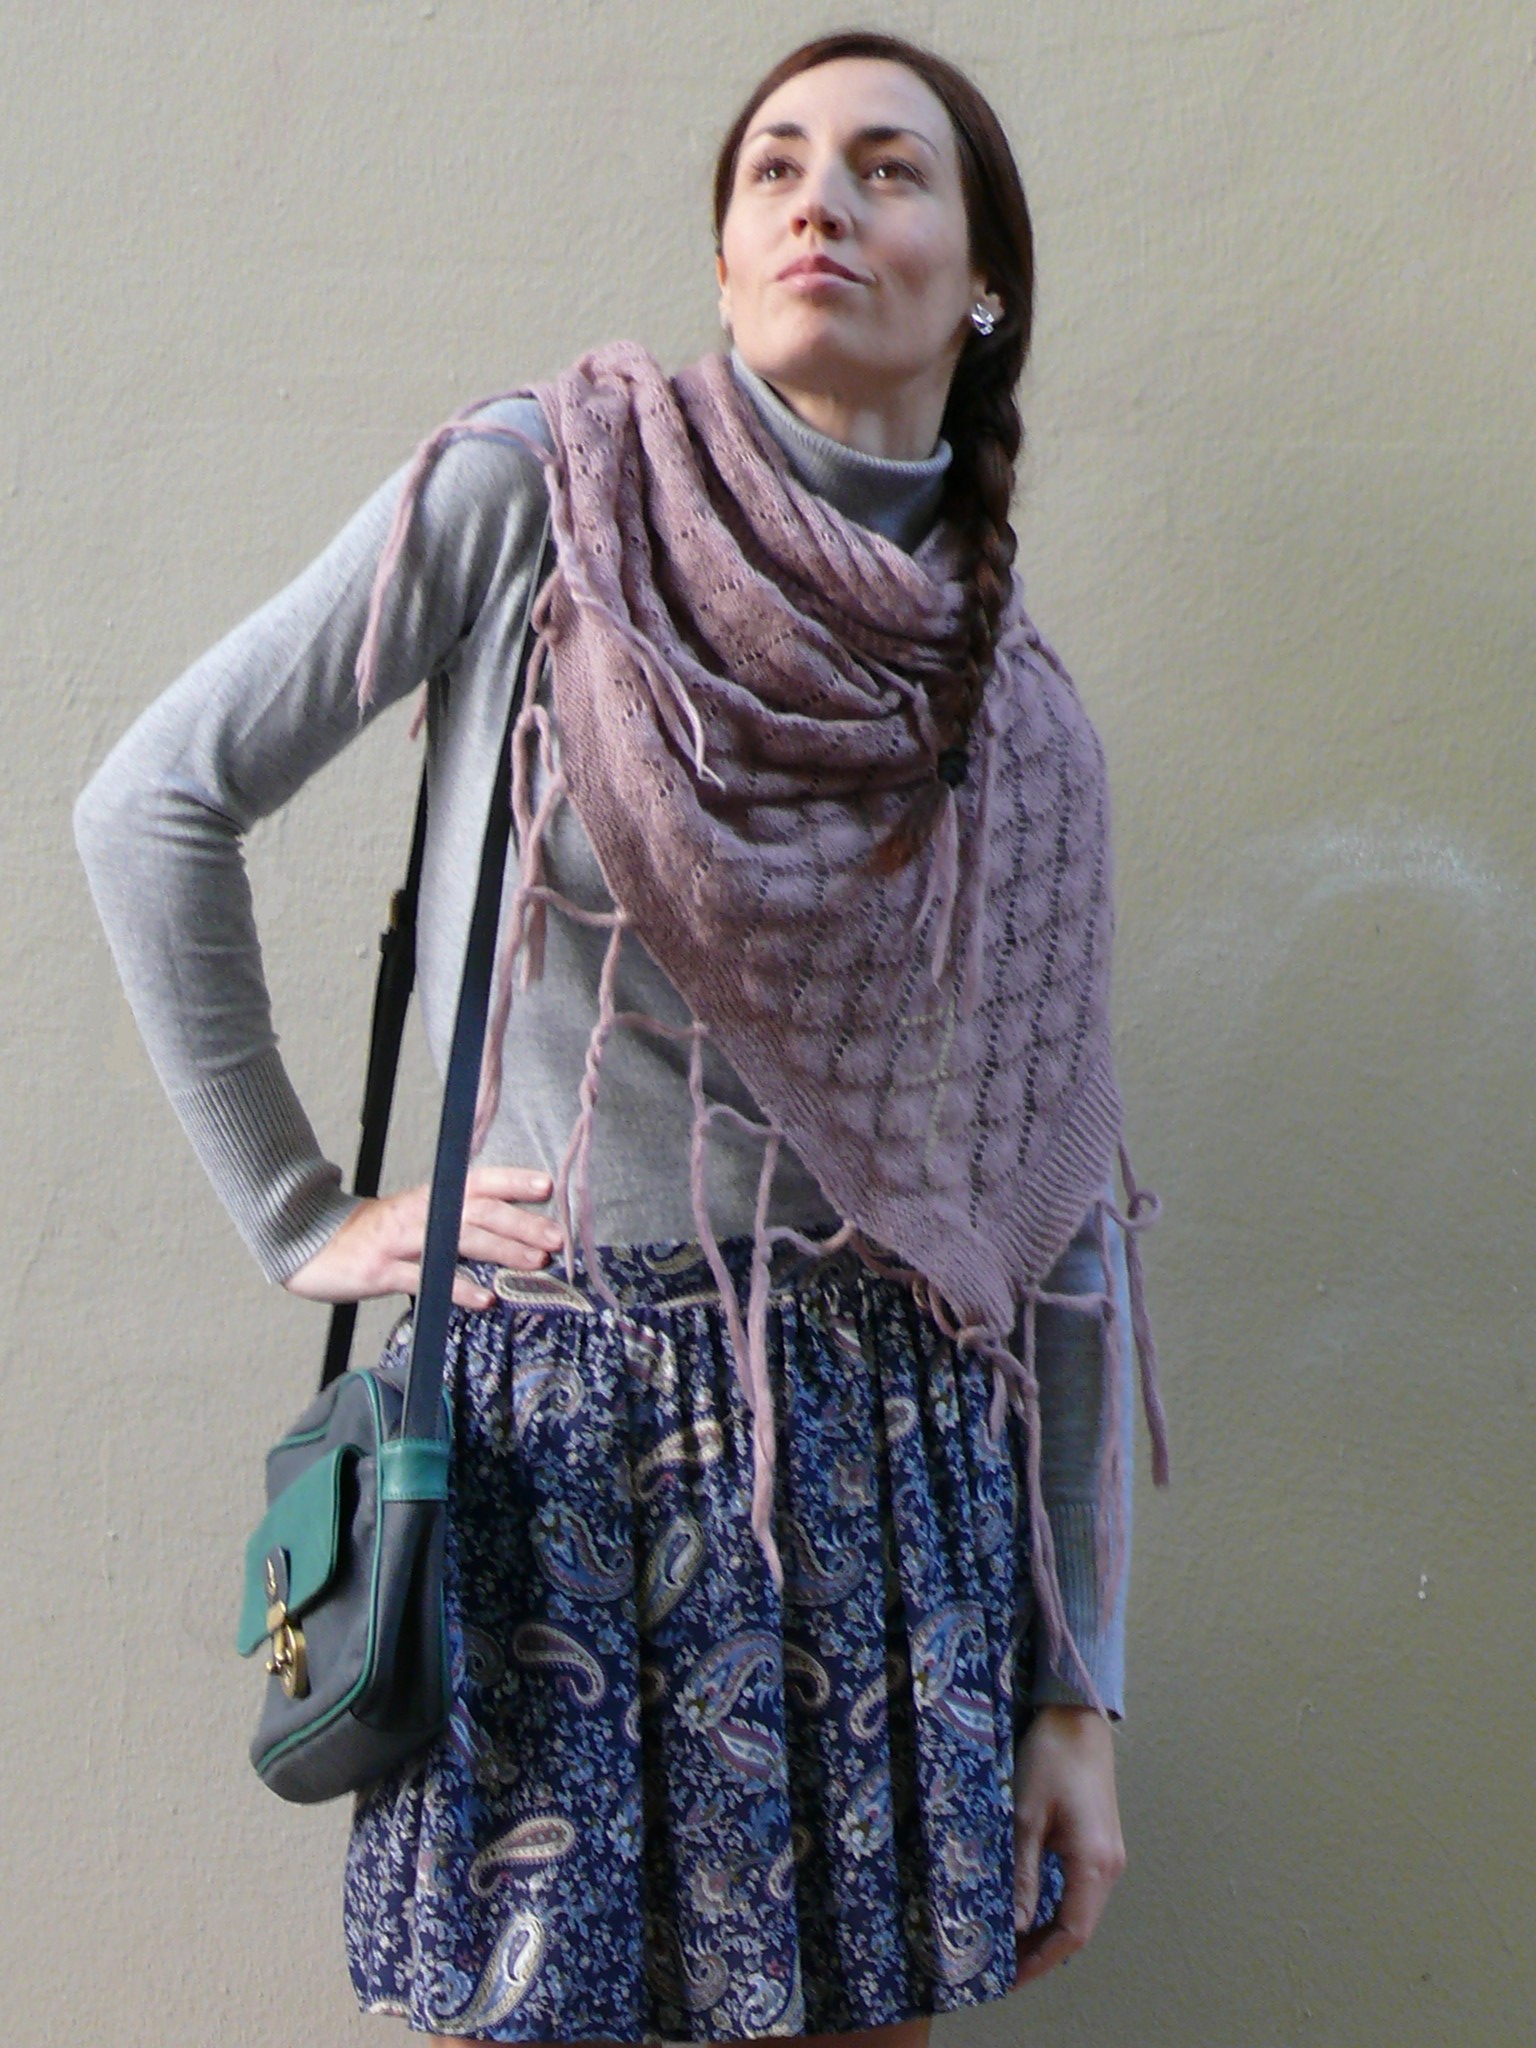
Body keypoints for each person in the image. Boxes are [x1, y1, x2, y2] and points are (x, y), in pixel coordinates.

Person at [75, 29, 1166, 2048]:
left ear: (985, 282)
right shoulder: (549, 500)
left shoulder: (1018, 716)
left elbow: (1063, 1226)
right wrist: (301, 1210)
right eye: (774, 167)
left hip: (888, 1496)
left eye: (888, 168)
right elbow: (154, 803)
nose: (821, 199)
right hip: (553, 1462)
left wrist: (1076, 1690)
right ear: (727, 255)